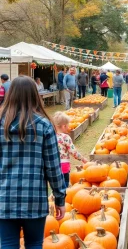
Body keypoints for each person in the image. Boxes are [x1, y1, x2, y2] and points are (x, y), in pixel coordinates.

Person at [0, 76, 66, 248]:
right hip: (34, 198)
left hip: (4, 198)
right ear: (34, 95)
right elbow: (53, 166)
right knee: (35, 243)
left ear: (10, 95)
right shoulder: (44, 125)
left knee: (7, 243)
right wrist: (60, 199)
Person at [53, 112, 88, 187]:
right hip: (63, 165)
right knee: (64, 184)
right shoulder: (65, 137)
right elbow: (73, 152)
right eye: (68, 125)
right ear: (64, 126)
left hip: (53, 165)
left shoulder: (51, 137)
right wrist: (82, 159)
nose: (69, 127)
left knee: (56, 185)